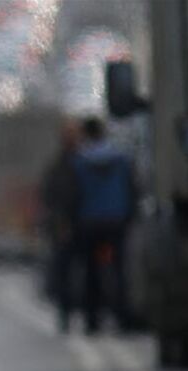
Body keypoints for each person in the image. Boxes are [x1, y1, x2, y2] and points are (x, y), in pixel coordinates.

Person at [73, 117, 137, 334]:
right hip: (116, 220)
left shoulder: (79, 161)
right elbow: (132, 188)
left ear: (85, 134)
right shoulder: (121, 159)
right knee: (119, 270)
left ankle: (92, 320)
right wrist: (129, 215)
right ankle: (122, 317)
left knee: (91, 271)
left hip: (89, 221)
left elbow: (73, 193)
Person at [41, 118, 82, 333]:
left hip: (77, 226)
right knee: (66, 272)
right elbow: (50, 196)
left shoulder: (67, 164)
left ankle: (75, 315)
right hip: (70, 226)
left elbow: (49, 196)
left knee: (70, 271)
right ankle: (69, 315)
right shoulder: (72, 163)